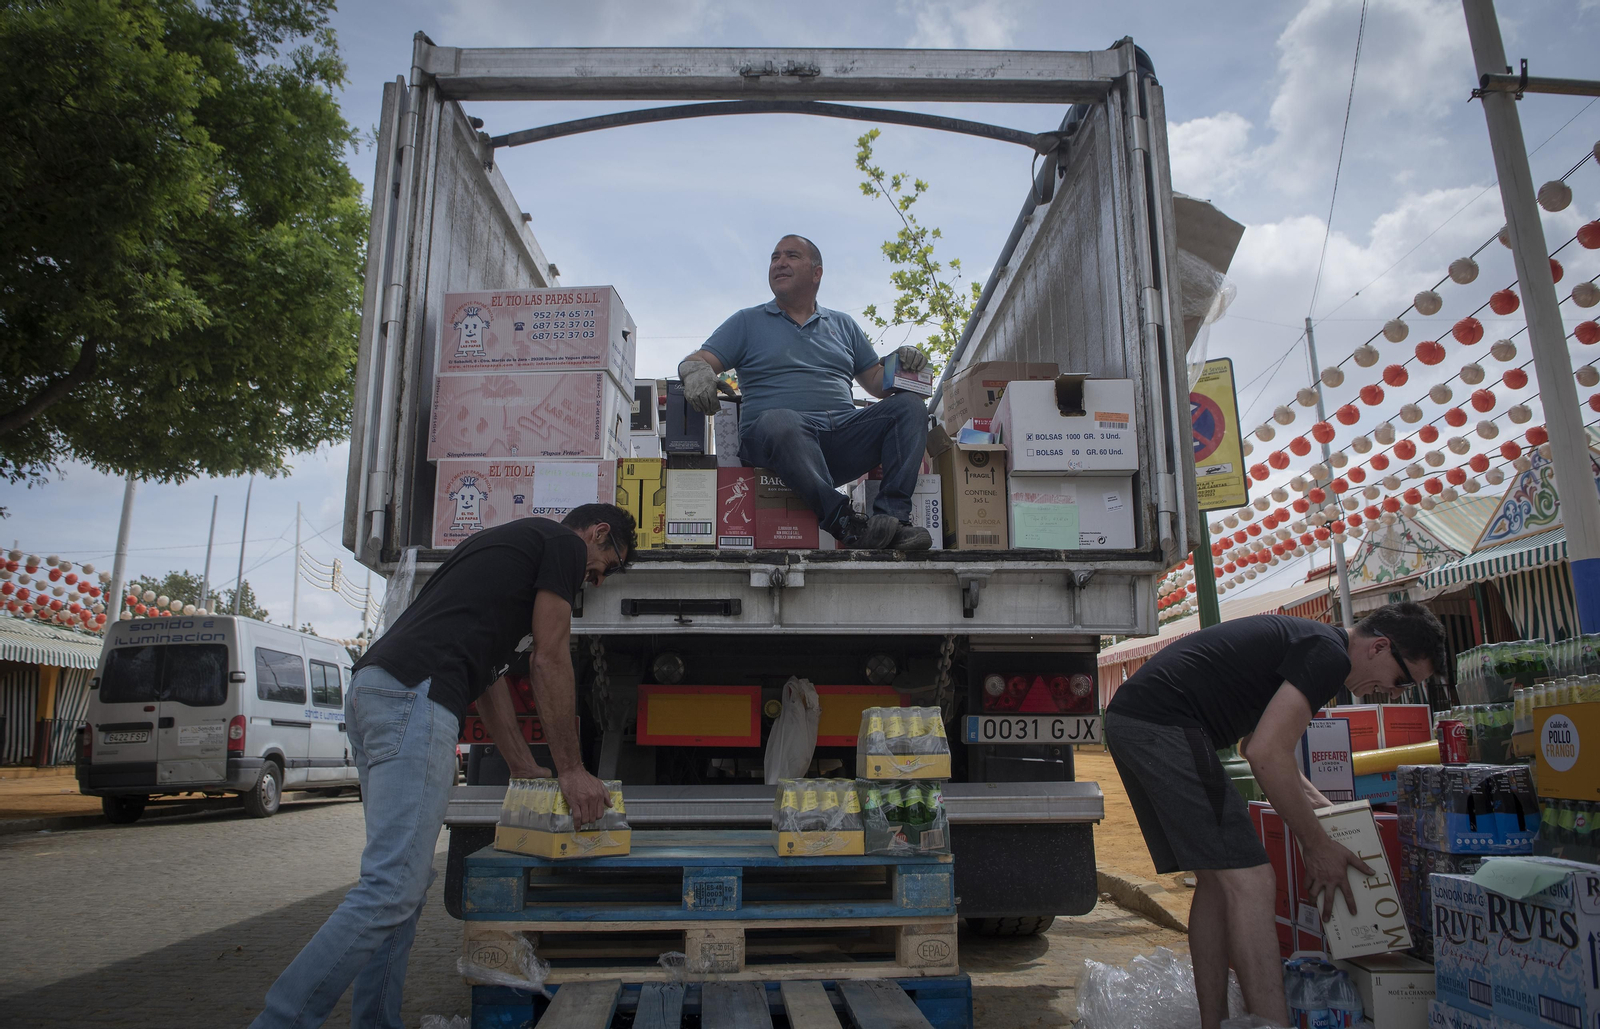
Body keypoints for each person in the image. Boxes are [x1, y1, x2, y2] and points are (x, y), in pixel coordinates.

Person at [250, 504, 636, 1029]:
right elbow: (551, 657)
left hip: (377, 690)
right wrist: (571, 770)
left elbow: (489, 679)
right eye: (609, 565)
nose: (598, 578)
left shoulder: (506, 552)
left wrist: (524, 765)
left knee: (401, 889)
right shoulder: (562, 545)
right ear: (599, 533)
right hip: (415, 698)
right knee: (390, 890)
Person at [1104, 602, 1445, 1029]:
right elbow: (1267, 754)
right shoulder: (1329, 655)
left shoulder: (1316, 645)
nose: (1393, 693)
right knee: (1252, 879)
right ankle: (1270, 1023)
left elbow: (1254, 746)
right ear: (1379, 647)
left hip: (1138, 719)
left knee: (1219, 879)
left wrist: (1329, 813)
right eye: (1402, 681)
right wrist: (1317, 845)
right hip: (1162, 723)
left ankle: (1216, 1023)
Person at [677, 234, 934, 550]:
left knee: (909, 406)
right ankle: (846, 522)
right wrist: (695, 372)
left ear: (817, 273)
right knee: (782, 420)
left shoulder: (844, 325)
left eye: (791, 256)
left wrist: (905, 361)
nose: (779, 263)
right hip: (775, 442)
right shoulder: (747, 321)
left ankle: (892, 523)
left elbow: (877, 384)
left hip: (840, 439)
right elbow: (699, 360)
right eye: (774, 257)